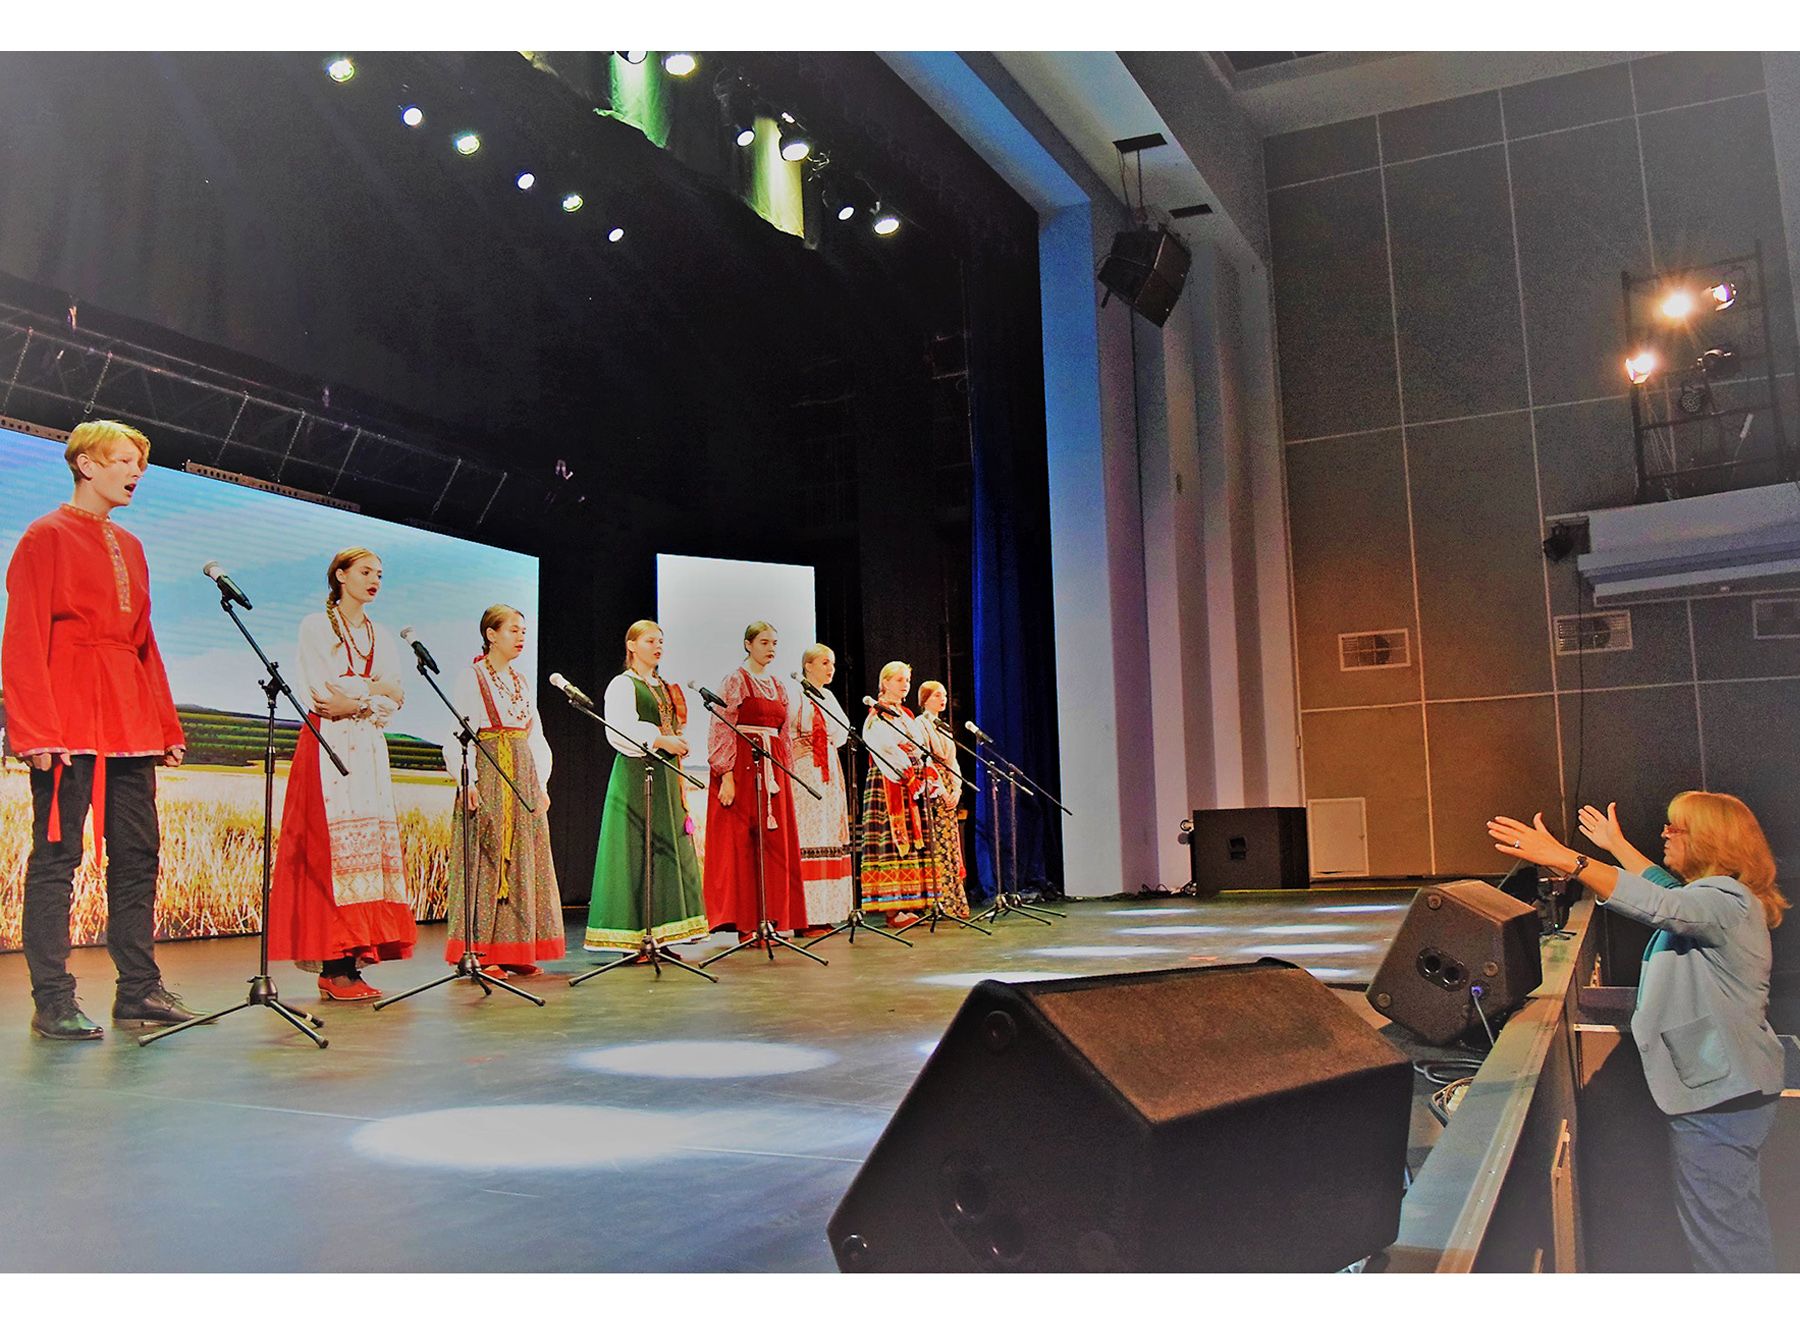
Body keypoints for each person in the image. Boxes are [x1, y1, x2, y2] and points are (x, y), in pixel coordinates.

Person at [1488, 792, 1788, 1272]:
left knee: (1726, 1243)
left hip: (1720, 1098)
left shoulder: (1726, 901)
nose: (1664, 833)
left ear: (1709, 840)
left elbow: (1659, 904)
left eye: (1675, 827)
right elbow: (1661, 888)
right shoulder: (1716, 899)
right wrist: (1617, 845)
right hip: (1725, 1093)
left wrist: (1566, 859)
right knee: (1727, 1229)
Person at [2, 419, 199, 1039]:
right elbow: (23, 637)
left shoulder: (132, 546)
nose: (136, 473)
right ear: (86, 464)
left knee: (139, 855)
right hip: (67, 720)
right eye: (124, 461)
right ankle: (52, 999)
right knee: (58, 859)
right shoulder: (44, 535)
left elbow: (143, 642)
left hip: (129, 718)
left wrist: (164, 722)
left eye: (140, 464)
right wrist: (34, 730)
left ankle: (139, 989)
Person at [266, 547, 418, 1000]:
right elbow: (323, 692)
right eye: (366, 572)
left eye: (380, 574)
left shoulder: (380, 635)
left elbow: (396, 697)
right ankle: (333, 966)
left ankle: (352, 960)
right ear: (341, 575)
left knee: (366, 849)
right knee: (330, 850)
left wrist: (361, 696)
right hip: (328, 743)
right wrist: (374, 691)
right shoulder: (316, 626)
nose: (375, 581)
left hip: (368, 745)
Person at [442, 605, 563, 977]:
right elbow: (457, 734)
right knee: (488, 859)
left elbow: (535, 738)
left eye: (524, 630)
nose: (521, 636)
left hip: (521, 776)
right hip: (490, 773)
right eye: (513, 630)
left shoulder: (521, 681)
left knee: (524, 861)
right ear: (491, 635)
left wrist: (541, 784)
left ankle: (515, 948)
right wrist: (467, 782)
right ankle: (481, 950)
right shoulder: (473, 677)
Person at [585, 620, 709, 958]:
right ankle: (634, 938)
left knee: (664, 850)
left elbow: (671, 725)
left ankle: (662, 935)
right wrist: (660, 739)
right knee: (637, 850)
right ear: (631, 645)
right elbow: (619, 730)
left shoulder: (664, 687)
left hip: (666, 775)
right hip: (637, 773)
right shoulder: (623, 685)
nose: (658, 647)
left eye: (661, 642)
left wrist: (677, 741)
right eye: (650, 641)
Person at [701, 621, 808, 939]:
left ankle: (771, 917)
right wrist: (726, 775)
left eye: (774, 643)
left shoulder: (778, 685)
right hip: (744, 767)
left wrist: (786, 773)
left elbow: (784, 734)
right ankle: (746, 923)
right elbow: (721, 726)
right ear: (748, 644)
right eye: (764, 642)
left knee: (773, 846)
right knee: (744, 846)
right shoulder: (735, 680)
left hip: (773, 769)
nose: (771, 648)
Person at [858, 661, 961, 926]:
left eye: (907, 680)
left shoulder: (904, 714)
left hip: (910, 781)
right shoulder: (877, 715)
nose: (905, 685)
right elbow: (886, 748)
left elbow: (918, 746)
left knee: (914, 841)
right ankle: (893, 909)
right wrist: (908, 771)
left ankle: (910, 902)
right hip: (889, 780)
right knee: (891, 840)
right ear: (885, 683)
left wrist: (922, 770)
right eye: (899, 680)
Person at [786, 643, 854, 935]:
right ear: (808, 666)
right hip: (805, 770)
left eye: (833, 664)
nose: (831, 669)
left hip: (828, 768)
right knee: (809, 835)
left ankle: (826, 912)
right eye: (825, 663)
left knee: (828, 834)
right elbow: (786, 728)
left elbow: (842, 732)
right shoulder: (795, 694)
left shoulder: (827, 696)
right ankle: (806, 916)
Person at [915, 679, 969, 906]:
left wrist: (956, 789)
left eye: (944, 695)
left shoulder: (943, 726)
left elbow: (952, 761)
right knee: (936, 843)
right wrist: (941, 791)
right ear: (925, 699)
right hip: (932, 787)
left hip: (947, 784)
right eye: (937, 695)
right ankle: (937, 900)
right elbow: (925, 760)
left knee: (950, 843)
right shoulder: (920, 724)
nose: (943, 699)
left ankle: (953, 899)